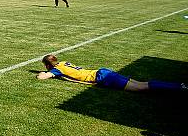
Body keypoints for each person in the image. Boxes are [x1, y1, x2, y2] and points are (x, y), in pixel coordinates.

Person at [37, 54, 186, 92]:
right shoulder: (63, 63)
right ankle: (179, 85)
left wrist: (41, 73)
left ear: (48, 65)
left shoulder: (57, 69)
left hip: (102, 77)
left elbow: (43, 77)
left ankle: (180, 87)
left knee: (142, 88)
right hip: (102, 72)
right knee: (142, 84)